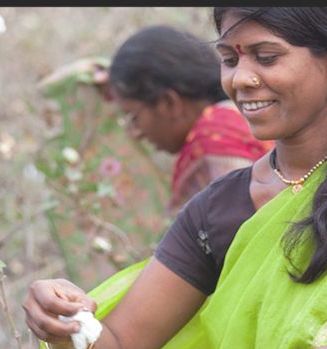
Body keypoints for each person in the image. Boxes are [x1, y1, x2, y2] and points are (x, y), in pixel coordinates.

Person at [23, 8, 327, 349]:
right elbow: (122, 345)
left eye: (266, 57)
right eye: (229, 59)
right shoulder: (217, 209)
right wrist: (68, 326)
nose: (241, 79)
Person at [106, 25, 274, 216]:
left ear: (169, 103)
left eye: (134, 118)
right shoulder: (247, 116)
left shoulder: (213, 144)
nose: (135, 133)